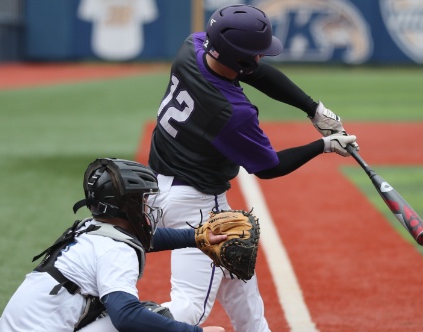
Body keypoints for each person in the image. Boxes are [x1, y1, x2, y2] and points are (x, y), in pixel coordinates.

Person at [147, 4, 358, 331]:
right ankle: (115, 324)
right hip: (199, 207)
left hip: (157, 188)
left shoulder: (193, 46)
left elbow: (251, 70)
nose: (261, 58)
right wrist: (324, 145)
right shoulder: (232, 112)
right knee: (189, 309)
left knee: (238, 279)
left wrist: (313, 109)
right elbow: (268, 167)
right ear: (238, 58)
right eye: (255, 53)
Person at [0, 158, 226, 332]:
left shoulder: (89, 227)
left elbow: (145, 239)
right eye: (143, 200)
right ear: (126, 207)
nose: (147, 206)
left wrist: (196, 237)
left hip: (13, 326)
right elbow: (126, 316)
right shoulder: (116, 251)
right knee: (151, 318)